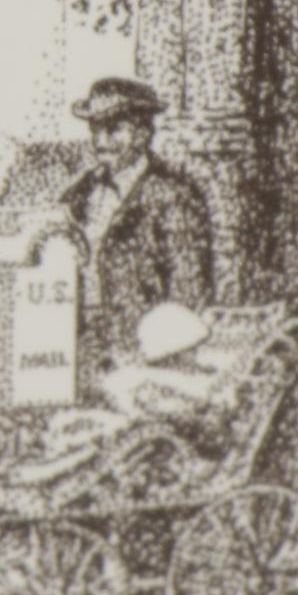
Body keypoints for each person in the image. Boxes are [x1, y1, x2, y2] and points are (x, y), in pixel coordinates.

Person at [51, 76, 217, 394]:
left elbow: (188, 292)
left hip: (139, 354)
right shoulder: (81, 192)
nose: (100, 141)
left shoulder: (172, 195)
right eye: (95, 129)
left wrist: (155, 353)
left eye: (113, 129)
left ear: (142, 133)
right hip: (78, 344)